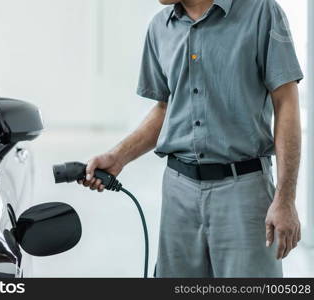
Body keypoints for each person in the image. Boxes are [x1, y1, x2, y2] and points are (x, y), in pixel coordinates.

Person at [79, 0, 303, 278]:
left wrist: (285, 199)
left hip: (243, 192)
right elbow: (166, 108)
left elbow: (286, 104)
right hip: (178, 192)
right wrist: (118, 156)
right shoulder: (160, 28)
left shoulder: (261, 12)